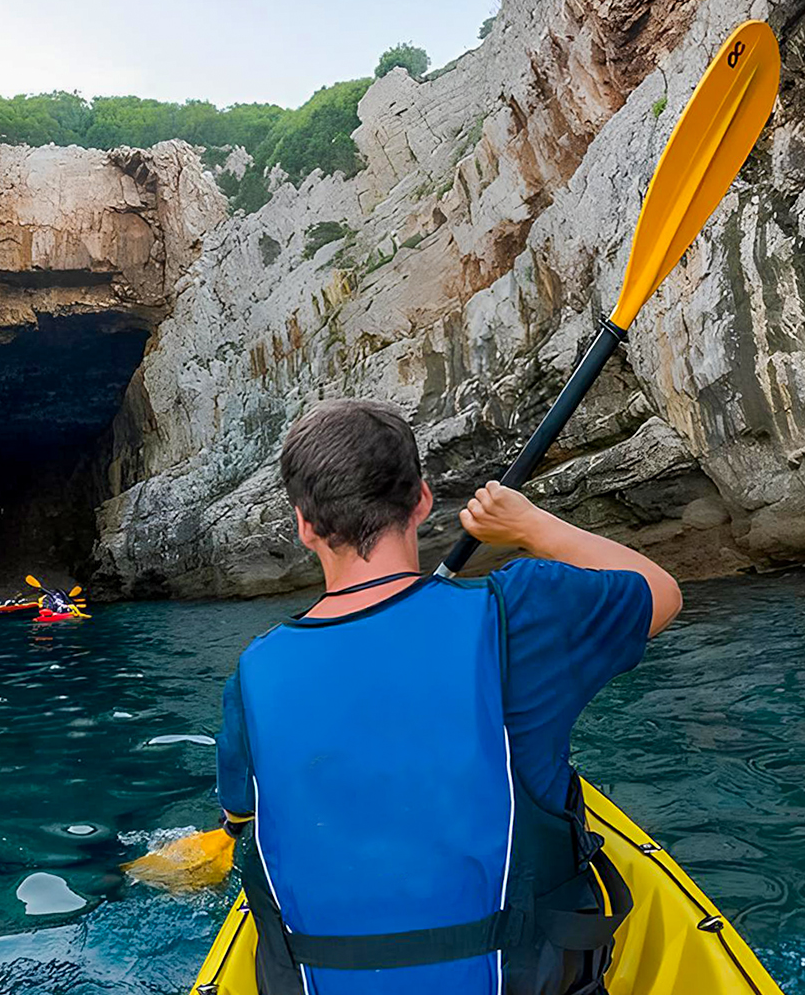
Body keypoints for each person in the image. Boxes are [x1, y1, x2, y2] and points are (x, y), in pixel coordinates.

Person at [215, 399, 682, 995]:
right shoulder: (518, 613)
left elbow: (242, 819)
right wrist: (532, 526)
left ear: (305, 526)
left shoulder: (251, 677)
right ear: (423, 501)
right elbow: (661, 593)